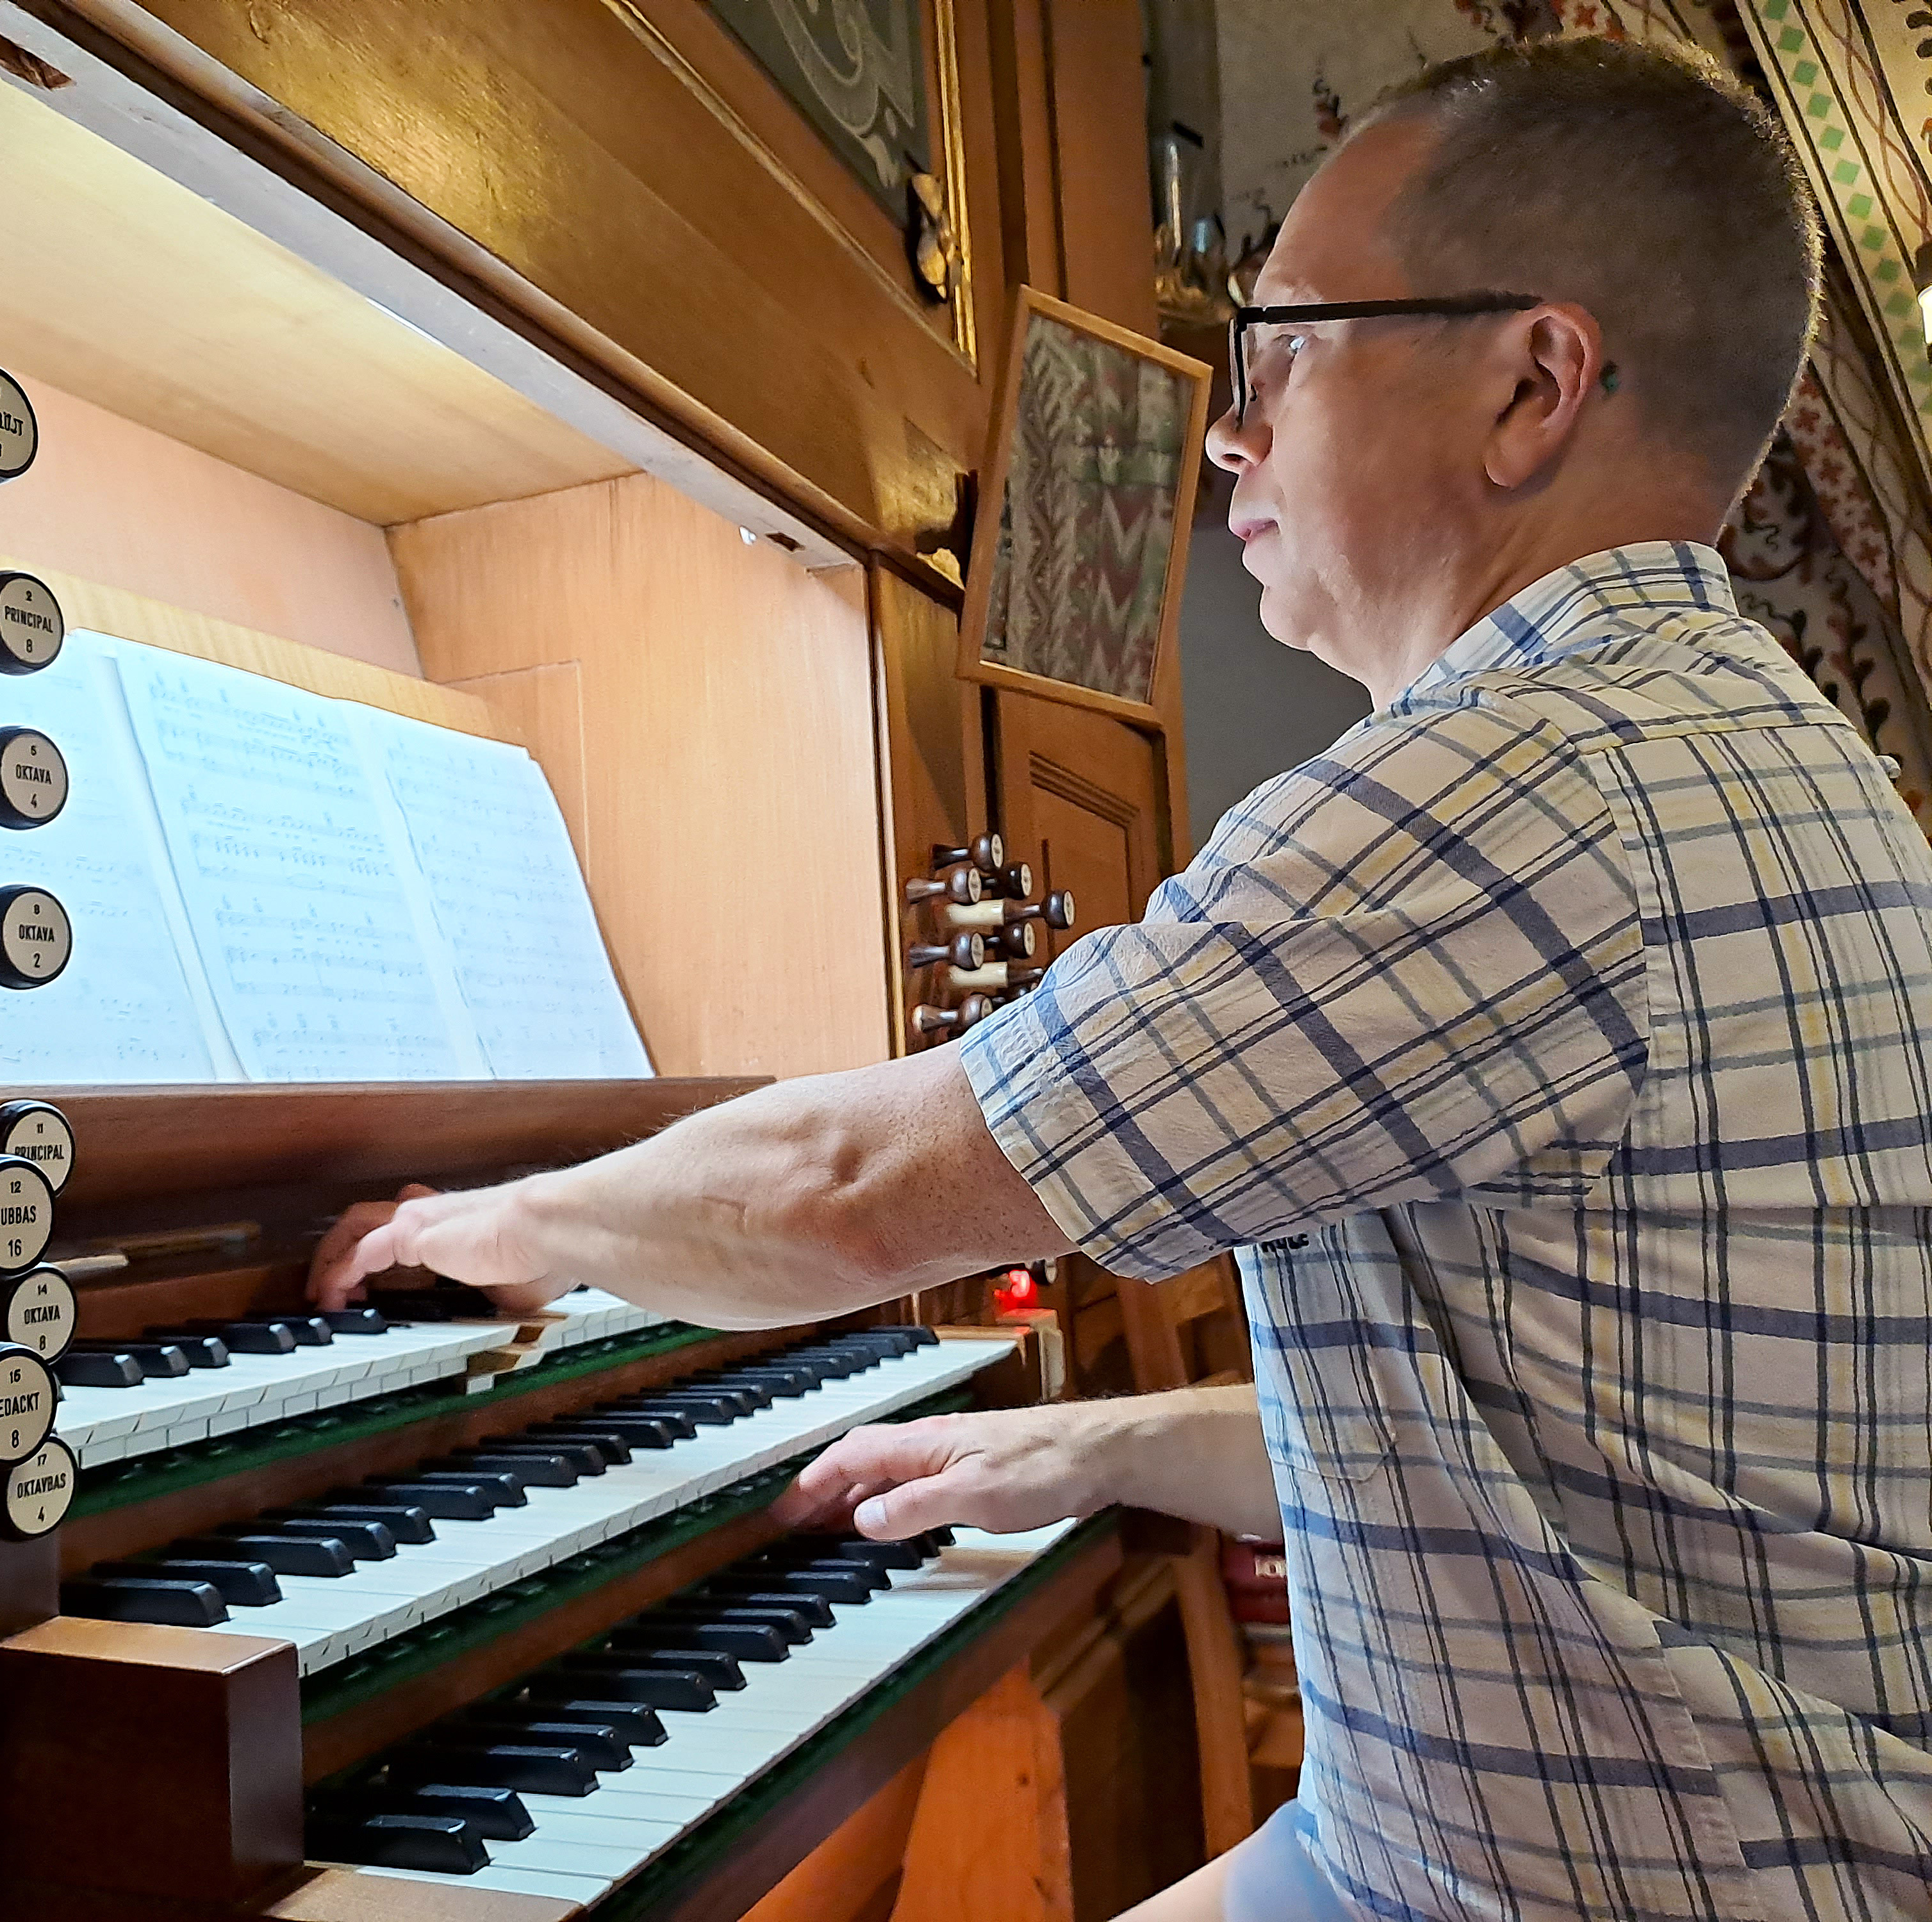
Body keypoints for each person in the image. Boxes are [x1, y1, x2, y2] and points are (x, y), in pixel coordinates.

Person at [311, 36, 1932, 1922]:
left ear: (1531, 383)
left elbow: (851, 1193)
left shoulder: (1522, 782)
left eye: (1281, 353)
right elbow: (1617, 1442)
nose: (1229, 433)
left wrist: (514, 1220)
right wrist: (1107, 1439)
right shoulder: (1773, 750)